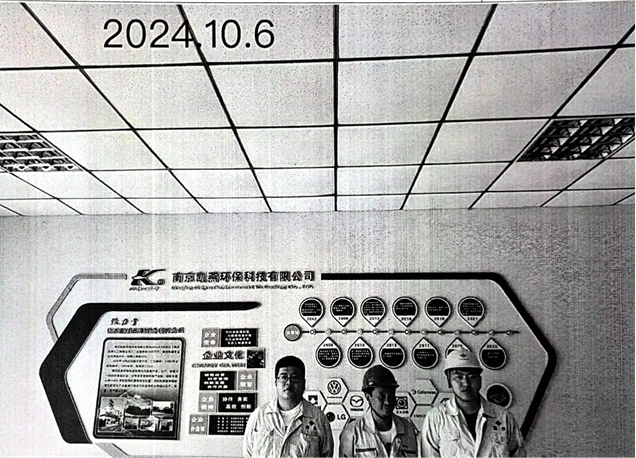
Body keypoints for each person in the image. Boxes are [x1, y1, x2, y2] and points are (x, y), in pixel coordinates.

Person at [419, 350, 525, 458]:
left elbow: (519, 455)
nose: (466, 383)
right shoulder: (436, 418)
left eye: (472, 377)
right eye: (459, 377)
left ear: (480, 380)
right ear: (449, 381)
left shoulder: (503, 416)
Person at [243, 355, 334, 458]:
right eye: (284, 377)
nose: (289, 382)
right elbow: (248, 453)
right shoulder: (259, 416)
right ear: (276, 382)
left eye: (295, 377)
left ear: (304, 383)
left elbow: (327, 454)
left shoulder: (318, 418)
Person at [339, 365, 418, 458]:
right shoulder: (352, 432)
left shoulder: (408, 429)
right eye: (382, 396)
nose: (388, 401)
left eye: (391, 395)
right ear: (368, 397)